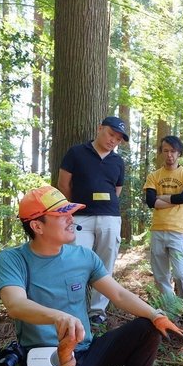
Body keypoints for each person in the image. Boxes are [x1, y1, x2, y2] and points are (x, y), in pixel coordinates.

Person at [0, 186, 183, 366]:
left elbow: (118, 293)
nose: (71, 219)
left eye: (70, 213)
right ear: (37, 225)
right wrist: (58, 316)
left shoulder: (84, 256)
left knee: (146, 327)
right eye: (62, 215)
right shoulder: (13, 259)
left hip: (87, 356)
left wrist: (156, 315)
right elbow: (15, 304)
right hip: (46, 364)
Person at [57, 116, 128, 326]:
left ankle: (97, 312)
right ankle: (74, 308)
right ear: (99, 129)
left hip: (109, 217)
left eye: (118, 138)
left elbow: (117, 191)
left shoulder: (118, 162)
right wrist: (76, 206)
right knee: (75, 262)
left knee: (105, 265)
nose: (113, 140)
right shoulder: (76, 153)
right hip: (80, 217)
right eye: (111, 134)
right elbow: (64, 185)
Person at [143, 135, 183, 325]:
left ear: (179, 153)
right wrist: (170, 198)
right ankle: (173, 309)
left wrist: (162, 198)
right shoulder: (154, 176)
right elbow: (151, 202)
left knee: (180, 273)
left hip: (177, 231)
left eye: (173, 151)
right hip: (157, 230)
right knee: (161, 276)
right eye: (166, 150)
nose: (170, 155)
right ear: (161, 152)